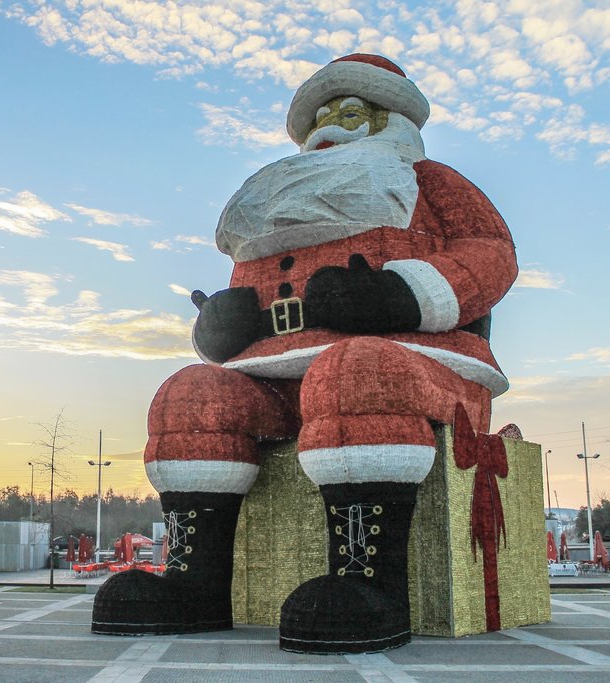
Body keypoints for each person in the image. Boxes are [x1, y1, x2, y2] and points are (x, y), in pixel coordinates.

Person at [92, 53, 518, 654]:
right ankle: (195, 584)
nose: (329, 127)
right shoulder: (279, 207)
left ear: (392, 121)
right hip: (277, 371)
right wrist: (222, 327)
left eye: (352, 112)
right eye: (318, 117)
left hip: (417, 363)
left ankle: (370, 583)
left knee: (356, 371)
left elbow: (490, 253)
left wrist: (400, 294)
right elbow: (250, 292)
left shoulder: (429, 182)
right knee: (192, 393)